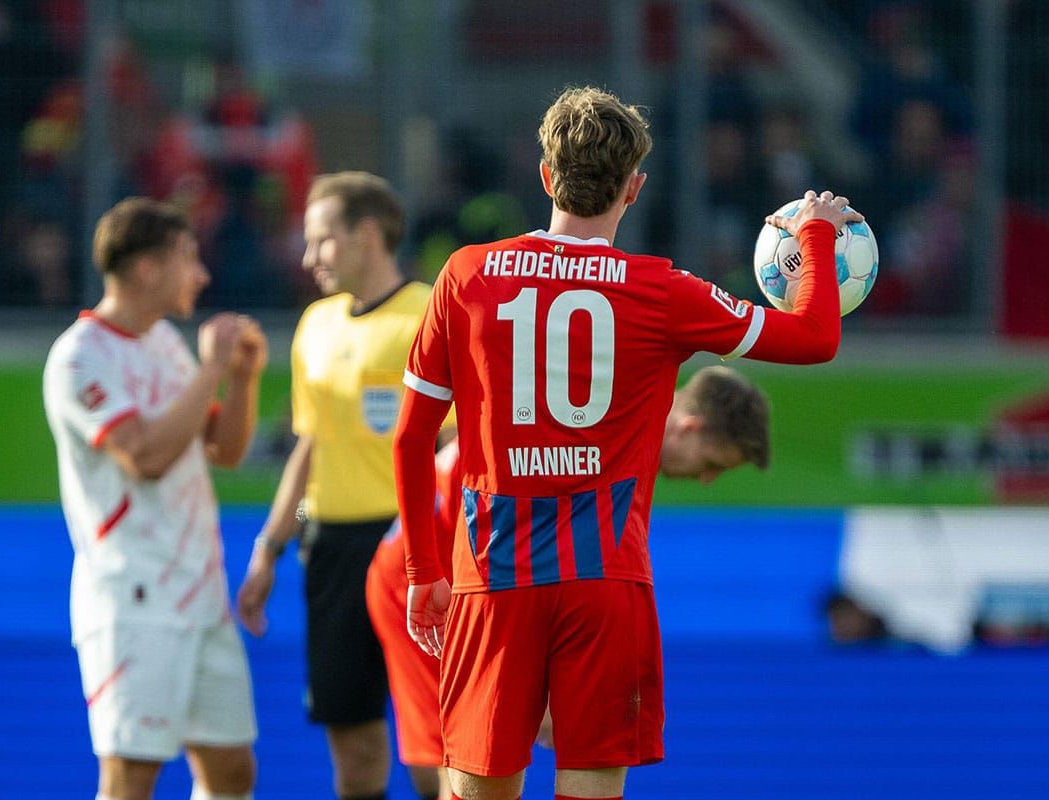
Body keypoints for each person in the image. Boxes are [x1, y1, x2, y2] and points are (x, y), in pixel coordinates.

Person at [391, 85, 860, 800]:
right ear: (634, 189)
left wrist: (426, 572)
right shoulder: (660, 290)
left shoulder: (465, 276)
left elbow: (410, 439)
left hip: (494, 580)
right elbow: (815, 335)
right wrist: (818, 235)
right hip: (604, 582)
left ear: (547, 176)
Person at [366, 364, 772, 800]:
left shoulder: (617, 414)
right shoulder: (614, 433)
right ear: (690, 427)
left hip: (474, 572)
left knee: (466, 764)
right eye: (711, 464)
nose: (707, 479)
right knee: (460, 763)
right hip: (435, 585)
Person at [41, 196, 267, 800]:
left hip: (202, 593)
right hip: (133, 601)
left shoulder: (165, 341)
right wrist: (210, 370)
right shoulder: (78, 357)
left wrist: (241, 378)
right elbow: (144, 457)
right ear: (147, 269)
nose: (202, 275)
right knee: (131, 778)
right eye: (189, 259)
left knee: (232, 772)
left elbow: (223, 449)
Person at [236, 170, 442, 800]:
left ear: (368, 234)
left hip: (415, 552)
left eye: (322, 240)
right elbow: (310, 442)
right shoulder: (316, 325)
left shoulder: (431, 312)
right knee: (354, 748)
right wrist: (268, 549)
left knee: (433, 749)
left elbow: (460, 447)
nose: (308, 257)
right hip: (330, 549)